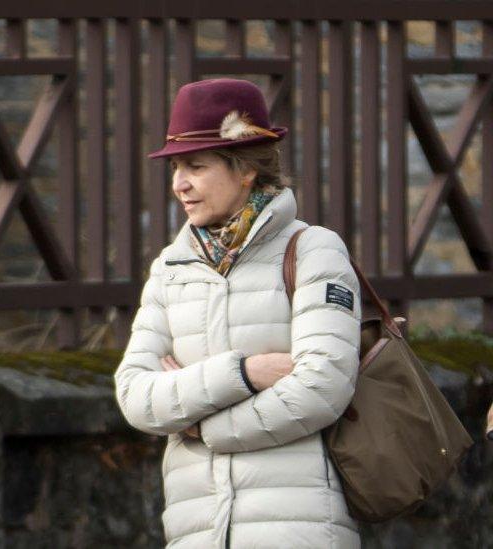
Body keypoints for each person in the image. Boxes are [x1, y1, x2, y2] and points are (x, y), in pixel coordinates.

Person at [114, 78, 362, 548]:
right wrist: (245, 373)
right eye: (175, 168)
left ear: (245, 170)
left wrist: (199, 423)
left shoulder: (313, 252)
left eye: (196, 166)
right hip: (197, 533)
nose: (178, 184)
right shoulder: (171, 268)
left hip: (298, 531)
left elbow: (321, 388)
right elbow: (135, 396)